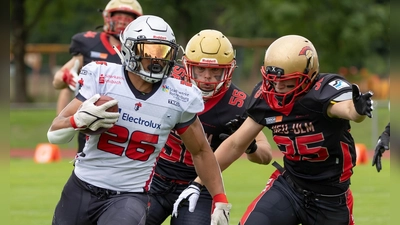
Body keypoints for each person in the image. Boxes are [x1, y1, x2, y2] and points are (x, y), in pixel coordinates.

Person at [47, 15, 230, 225]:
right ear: (130, 49)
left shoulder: (179, 95)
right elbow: (54, 134)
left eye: (164, 51)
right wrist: (77, 120)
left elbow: (201, 151)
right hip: (82, 186)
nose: (157, 59)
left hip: (129, 195)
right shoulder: (103, 77)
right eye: (149, 51)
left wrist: (220, 198)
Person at [174, 34, 374, 225]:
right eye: (272, 79)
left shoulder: (322, 91)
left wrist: (357, 109)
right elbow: (235, 144)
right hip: (290, 186)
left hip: (330, 197)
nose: (277, 87)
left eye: (287, 81)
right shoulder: (266, 97)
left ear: (308, 76)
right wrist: (198, 182)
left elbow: (347, 109)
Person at [145, 29, 273, 225]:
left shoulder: (237, 104)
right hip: (154, 177)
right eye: (200, 69)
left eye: (216, 71)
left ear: (229, 70)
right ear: (187, 66)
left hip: (200, 184)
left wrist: (250, 146)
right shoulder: (167, 82)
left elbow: (265, 155)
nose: (207, 77)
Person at [52, 0, 143, 154]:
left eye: (127, 19)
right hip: (92, 118)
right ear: (107, 17)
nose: (122, 23)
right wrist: (66, 77)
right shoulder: (90, 43)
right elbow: (58, 80)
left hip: (132, 120)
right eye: (118, 17)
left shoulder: (143, 50)